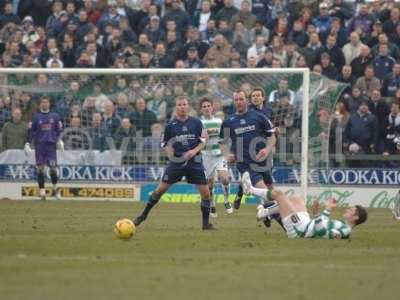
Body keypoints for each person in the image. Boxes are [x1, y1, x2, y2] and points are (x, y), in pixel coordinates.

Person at [133, 96, 215, 230]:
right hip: (176, 162)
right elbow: (164, 143)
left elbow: (204, 141)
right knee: (160, 190)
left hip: (195, 161)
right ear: (176, 107)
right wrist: (170, 154)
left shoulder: (197, 123)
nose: (182, 107)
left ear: (188, 106)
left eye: (184, 104)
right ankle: (143, 215)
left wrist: (193, 151)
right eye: (179, 105)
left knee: (206, 193)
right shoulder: (170, 125)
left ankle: (206, 224)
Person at [241, 172, 368, 239]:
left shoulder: (345, 230)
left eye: (352, 210)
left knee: (279, 195)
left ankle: (250, 190)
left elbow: (321, 232)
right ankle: (265, 213)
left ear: (356, 217)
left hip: (299, 230)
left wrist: (317, 214)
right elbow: (323, 224)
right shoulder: (343, 225)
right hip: (305, 223)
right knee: (297, 199)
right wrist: (328, 209)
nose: (348, 209)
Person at [219, 89, 277, 218]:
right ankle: (288, 226)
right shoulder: (229, 121)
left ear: (247, 100)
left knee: (271, 189)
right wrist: (227, 154)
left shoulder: (259, 116)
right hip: (246, 164)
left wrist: (267, 149)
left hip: (263, 160)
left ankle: (266, 213)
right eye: (236, 100)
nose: (239, 102)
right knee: (267, 195)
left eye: (241, 99)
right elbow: (222, 142)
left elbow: (272, 137)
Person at [24, 96, 64, 200]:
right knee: (40, 169)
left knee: (53, 169)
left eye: (46, 102)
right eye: (43, 102)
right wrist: (28, 143)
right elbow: (31, 132)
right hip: (40, 146)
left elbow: (59, 130)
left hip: (51, 147)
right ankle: (42, 192)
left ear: (49, 104)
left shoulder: (55, 116)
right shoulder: (36, 117)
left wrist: (60, 140)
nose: (44, 104)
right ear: (40, 104)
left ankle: (56, 190)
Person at [199, 97, 232, 218]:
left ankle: (226, 200)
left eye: (208, 106)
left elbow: (224, 137)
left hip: (219, 155)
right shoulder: (199, 123)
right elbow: (199, 138)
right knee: (210, 184)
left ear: (212, 107)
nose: (207, 108)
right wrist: (209, 132)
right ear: (201, 109)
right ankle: (212, 204)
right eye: (204, 106)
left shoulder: (219, 121)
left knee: (225, 179)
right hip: (206, 156)